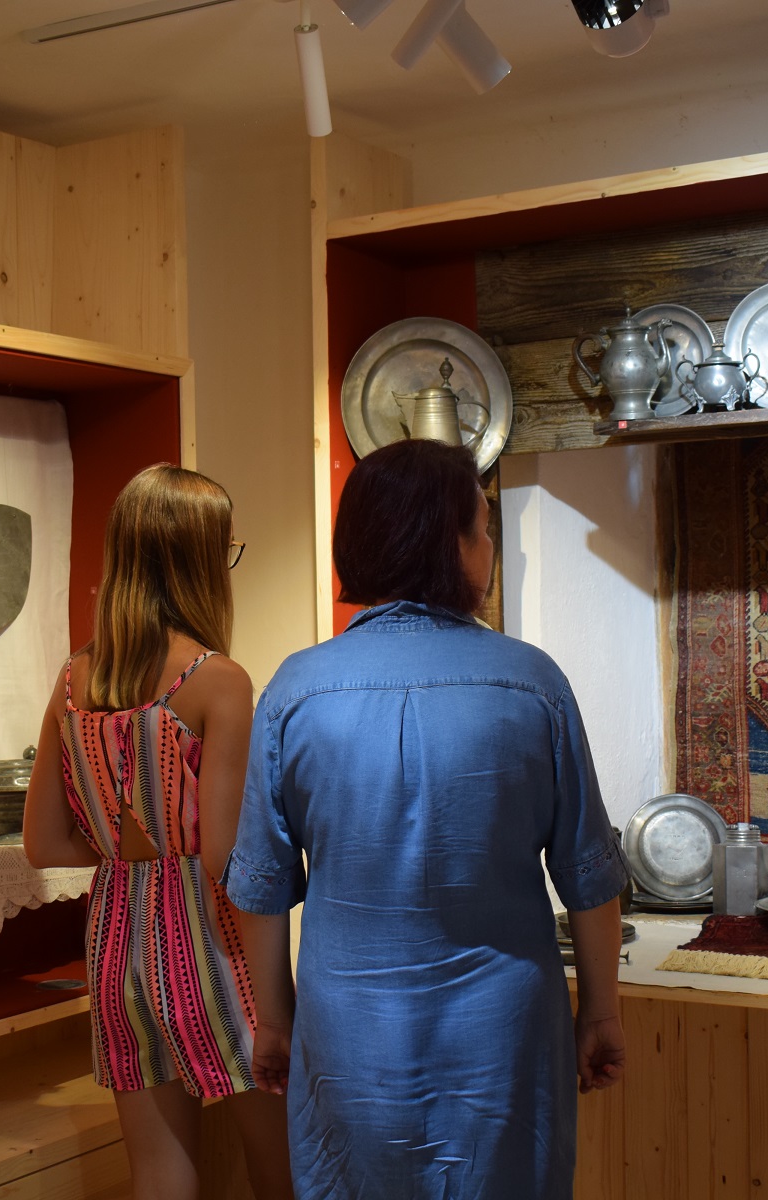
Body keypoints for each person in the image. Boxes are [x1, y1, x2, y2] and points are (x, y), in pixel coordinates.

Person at [223, 438, 629, 1199]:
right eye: (483, 529)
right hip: (503, 1040)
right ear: (449, 542)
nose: (490, 549)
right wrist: (601, 1011)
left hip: (350, 1040)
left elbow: (261, 888)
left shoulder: (296, 691)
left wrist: (273, 1021)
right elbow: (589, 876)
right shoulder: (532, 683)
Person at [23, 464, 292, 1200]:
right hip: (214, 943)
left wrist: (129, 852)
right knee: (284, 1172)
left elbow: (42, 843)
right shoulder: (217, 679)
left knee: (160, 1174)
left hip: (117, 942)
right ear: (198, 559)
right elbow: (225, 856)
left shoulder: (73, 680)